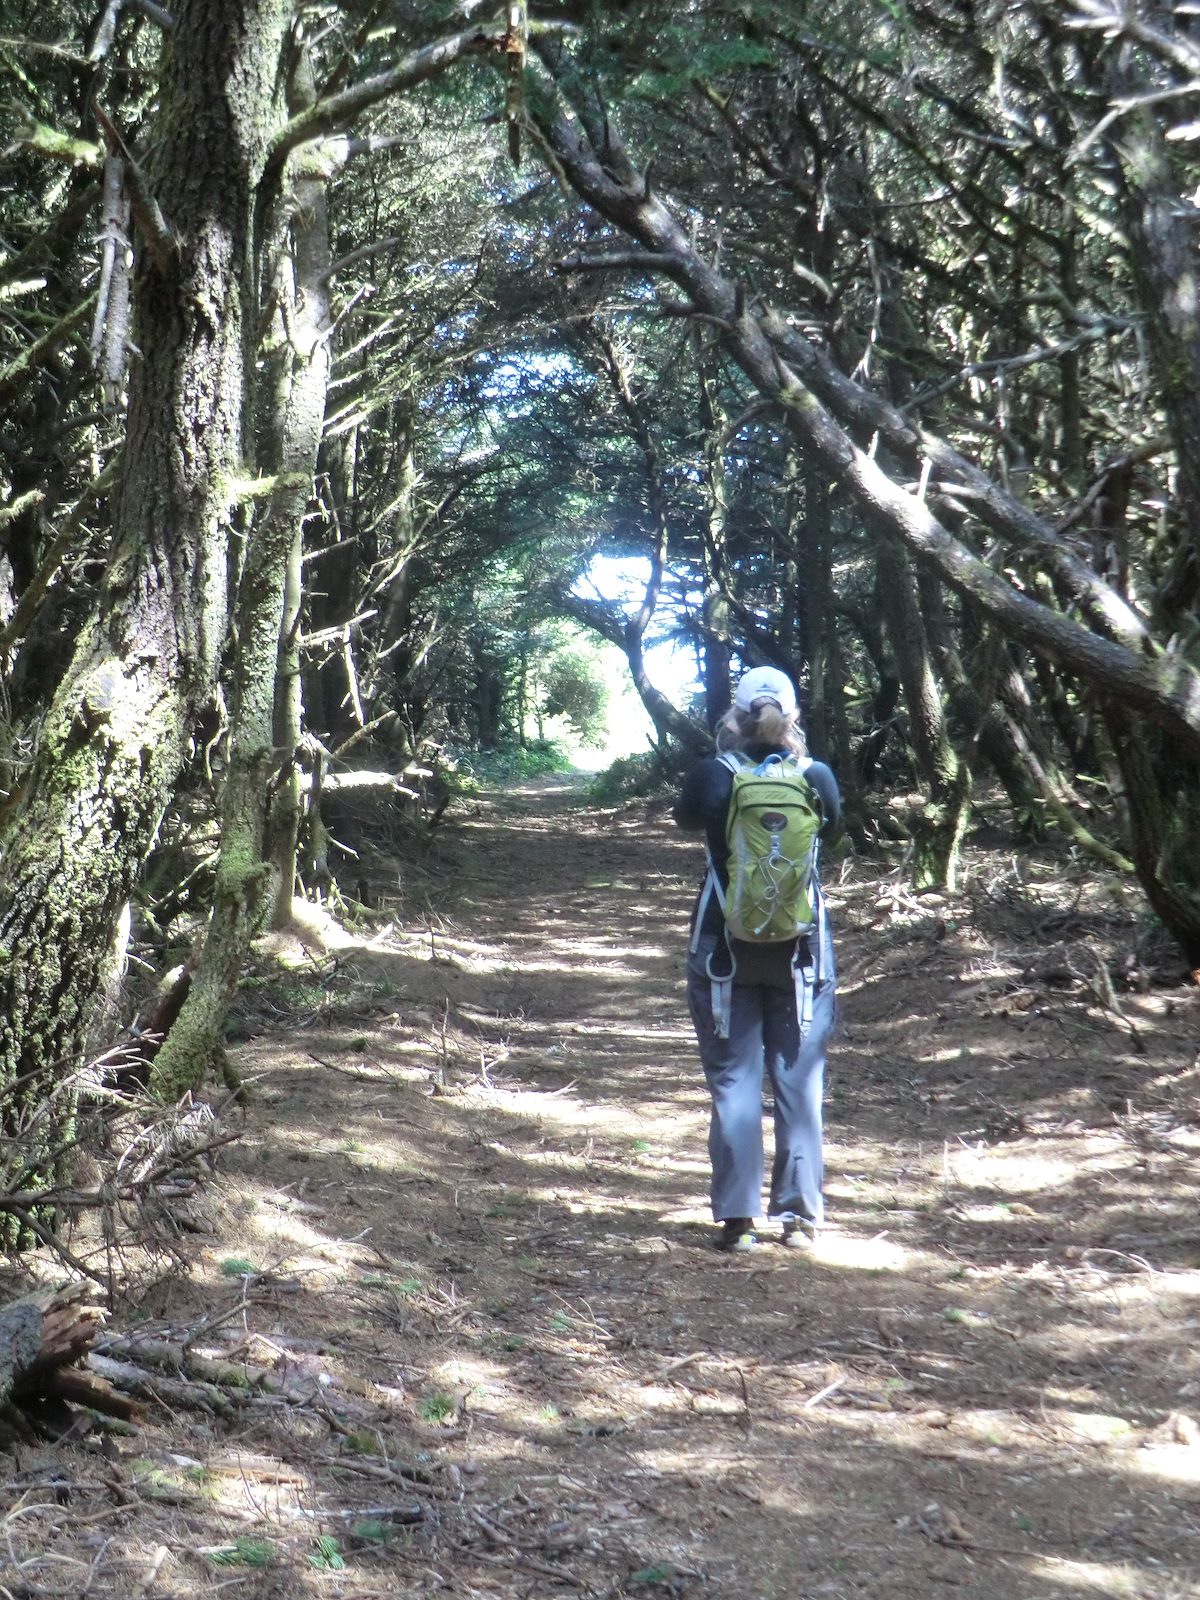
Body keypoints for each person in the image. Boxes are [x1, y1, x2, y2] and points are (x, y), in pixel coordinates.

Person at [673, 666, 840, 1253]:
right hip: (803, 953)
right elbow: (835, 832)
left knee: (733, 1079)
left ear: (734, 717)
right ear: (791, 717)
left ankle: (739, 1220)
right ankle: (800, 1218)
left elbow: (685, 819)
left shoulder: (711, 777)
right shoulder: (815, 777)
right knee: (800, 1082)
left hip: (722, 948)